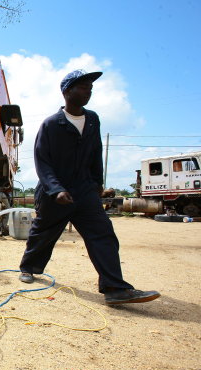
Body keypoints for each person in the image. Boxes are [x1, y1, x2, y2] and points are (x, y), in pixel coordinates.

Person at [18, 70, 160, 305]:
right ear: (66, 92)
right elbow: (42, 161)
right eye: (83, 87)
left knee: (102, 233)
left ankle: (114, 288)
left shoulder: (92, 119)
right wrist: (55, 189)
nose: (89, 91)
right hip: (55, 192)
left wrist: (97, 184)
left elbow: (96, 152)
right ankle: (28, 267)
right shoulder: (52, 124)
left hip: (84, 190)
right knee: (44, 232)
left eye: (90, 87)